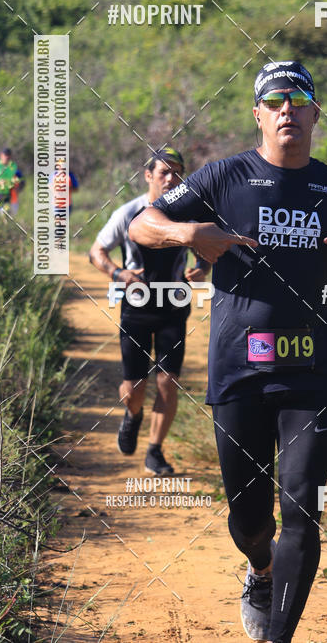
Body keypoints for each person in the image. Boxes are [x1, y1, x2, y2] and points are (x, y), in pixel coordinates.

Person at [129, 61, 327, 643]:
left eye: (299, 98)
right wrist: (189, 234)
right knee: (250, 518)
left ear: (314, 113)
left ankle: (279, 634)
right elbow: (143, 224)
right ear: (258, 114)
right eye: (275, 100)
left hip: (312, 370)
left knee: (303, 504)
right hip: (239, 370)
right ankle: (260, 568)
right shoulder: (221, 177)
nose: (288, 109)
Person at [89, 146, 209, 477]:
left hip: (174, 306)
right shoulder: (128, 213)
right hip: (137, 308)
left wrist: (202, 268)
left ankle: (155, 451)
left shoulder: (189, 214)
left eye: (177, 172)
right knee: (134, 388)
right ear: (148, 176)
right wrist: (118, 274)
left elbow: (205, 251)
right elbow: (97, 250)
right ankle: (133, 415)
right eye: (164, 172)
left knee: (168, 383)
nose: (171, 178)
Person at [0, 147, 24, 214]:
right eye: (5, 155)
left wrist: (15, 184)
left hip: (6, 194)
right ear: (1, 155)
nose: (6, 158)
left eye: (8, 156)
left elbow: (16, 179)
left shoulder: (13, 166)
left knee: (5, 214)